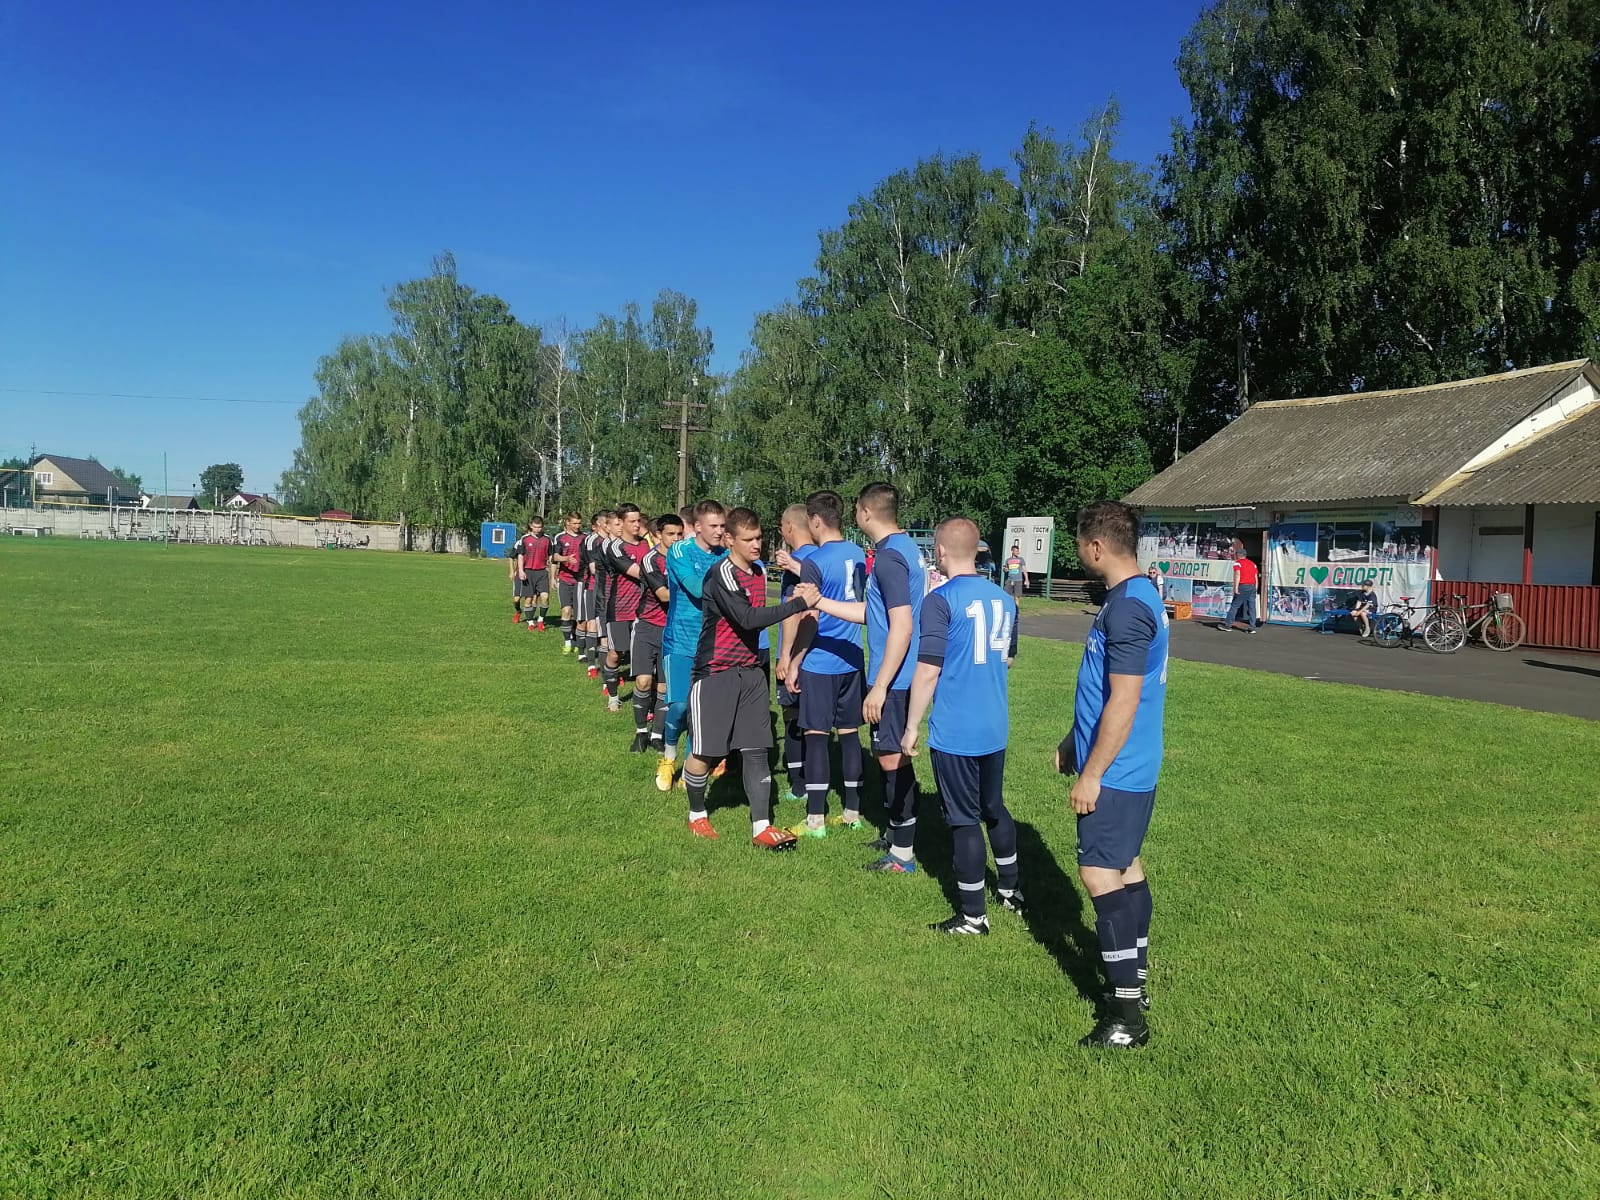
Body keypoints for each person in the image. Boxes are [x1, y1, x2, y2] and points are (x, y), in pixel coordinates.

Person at [1056, 500, 1168, 1049]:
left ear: (1096, 547)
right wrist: (1071, 742)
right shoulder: (1140, 594)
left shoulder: (1126, 609)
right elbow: (1106, 689)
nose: (1078, 553)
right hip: (1131, 761)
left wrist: (1092, 772)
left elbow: (1124, 700)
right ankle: (1136, 982)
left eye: (1079, 544)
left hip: (1119, 769)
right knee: (1126, 868)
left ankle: (1126, 1015)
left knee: (1099, 874)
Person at [902, 517, 1021, 930]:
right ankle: (1009, 888)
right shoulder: (1005, 599)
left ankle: (973, 916)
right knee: (993, 807)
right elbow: (1008, 658)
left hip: (956, 729)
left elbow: (929, 668)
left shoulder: (940, 599)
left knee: (964, 819)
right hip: (994, 723)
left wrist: (912, 724)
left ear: (940, 552)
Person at [682, 507, 819, 849]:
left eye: (759, 537)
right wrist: (797, 604)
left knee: (757, 749)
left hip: (751, 674)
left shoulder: (758, 571)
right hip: (715, 674)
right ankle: (697, 814)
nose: (757, 544)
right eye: (749, 539)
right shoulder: (721, 574)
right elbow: (746, 618)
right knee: (706, 752)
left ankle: (762, 827)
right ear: (729, 539)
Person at [810, 482, 926, 870]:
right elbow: (872, 614)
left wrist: (879, 686)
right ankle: (896, 832)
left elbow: (902, 625)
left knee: (892, 759)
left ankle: (903, 854)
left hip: (895, 678)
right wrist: (820, 602)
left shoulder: (891, 558)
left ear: (864, 512)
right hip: (898, 675)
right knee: (889, 756)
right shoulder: (904, 549)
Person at [786, 490, 868, 837]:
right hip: (852, 656)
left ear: (816, 520)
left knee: (816, 736)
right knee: (849, 736)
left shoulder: (814, 561)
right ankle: (853, 812)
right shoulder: (858, 553)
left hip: (821, 660)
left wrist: (795, 659)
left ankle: (815, 819)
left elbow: (810, 615)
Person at [657, 501, 728, 792]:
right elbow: (697, 589)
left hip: (713, 644)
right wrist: (729, 580)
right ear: (697, 527)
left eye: (723, 526)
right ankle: (668, 755)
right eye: (714, 526)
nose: (720, 532)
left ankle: (690, 769)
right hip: (681, 640)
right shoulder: (680, 551)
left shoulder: (725, 554)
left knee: (701, 711)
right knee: (680, 705)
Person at [772, 504, 817, 805]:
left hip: (800, 650)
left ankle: (798, 783)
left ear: (788, 527)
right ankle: (819, 780)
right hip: (824, 654)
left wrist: (786, 657)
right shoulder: (824, 557)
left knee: (792, 715)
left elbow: (796, 613)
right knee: (816, 721)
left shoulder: (795, 564)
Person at [633, 514, 681, 753]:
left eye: (679, 534)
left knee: (664, 688)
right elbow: (663, 595)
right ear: (658, 535)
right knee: (643, 681)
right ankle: (640, 732)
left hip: (672, 630)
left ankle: (657, 735)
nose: (676, 539)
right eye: (670, 534)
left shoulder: (684, 558)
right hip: (647, 626)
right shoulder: (651, 559)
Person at [602, 505, 648, 716]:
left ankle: (649, 706)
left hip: (644, 611)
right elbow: (640, 573)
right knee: (616, 654)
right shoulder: (615, 547)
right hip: (619, 609)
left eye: (639, 521)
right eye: (632, 521)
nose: (637, 525)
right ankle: (613, 696)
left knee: (647, 659)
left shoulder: (646, 545)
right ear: (622, 522)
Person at [553, 513, 584, 653]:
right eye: (575, 523)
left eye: (579, 523)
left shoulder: (585, 538)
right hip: (565, 579)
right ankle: (567, 642)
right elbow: (555, 556)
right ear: (567, 523)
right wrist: (566, 558)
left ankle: (578, 640)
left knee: (579, 614)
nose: (577, 526)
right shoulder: (560, 537)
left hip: (581, 580)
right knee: (566, 610)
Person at [516, 517, 553, 631]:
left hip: (542, 572)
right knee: (528, 600)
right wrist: (521, 570)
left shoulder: (547, 540)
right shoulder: (525, 539)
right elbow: (520, 555)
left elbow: (551, 555)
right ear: (531, 526)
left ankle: (541, 620)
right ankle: (530, 622)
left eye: (540, 527)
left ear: (543, 527)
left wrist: (552, 569)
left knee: (545, 597)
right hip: (528, 571)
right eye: (535, 527)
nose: (537, 529)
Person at [1224, 543, 1259, 633]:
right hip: (1252, 586)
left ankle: (1228, 625)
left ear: (1239, 555)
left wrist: (1235, 588)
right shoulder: (1253, 564)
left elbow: (1237, 575)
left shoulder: (1238, 564)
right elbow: (1255, 577)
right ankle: (1252, 627)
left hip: (1243, 586)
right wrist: (1256, 588)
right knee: (1252, 607)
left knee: (1235, 605)